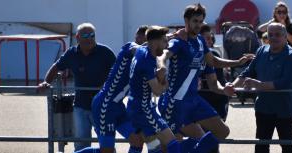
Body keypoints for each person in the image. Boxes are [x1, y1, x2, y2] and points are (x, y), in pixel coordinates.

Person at [157, 3, 253, 153]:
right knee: (170, 147)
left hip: (194, 101)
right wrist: (161, 65)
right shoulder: (179, 40)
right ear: (186, 21)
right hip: (175, 102)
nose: (198, 25)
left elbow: (213, 63)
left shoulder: (201, 42)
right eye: (195, 21)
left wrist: (236, 63)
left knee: (222, 132)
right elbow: (164, 55)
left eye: (200, 21)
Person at [38, 23, 116, 151]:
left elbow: (119, 72)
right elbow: (56, 67)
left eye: (92, 35)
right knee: (81, 143)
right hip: (80, 106)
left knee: (107, 145)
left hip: (102, 107)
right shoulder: (72, 53)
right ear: (77, 37)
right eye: (86, 35)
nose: (90, 38)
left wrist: (108, 86)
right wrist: (46, 82)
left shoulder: (105, 52)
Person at [74, 25, 149, 153]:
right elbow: (137, 49)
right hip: (104, 105)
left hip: (117, 106)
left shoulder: (145, 61)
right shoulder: (130, 47)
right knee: (107, 151)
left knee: (137, 140)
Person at [228, 23, 292, 153]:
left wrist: (257, 84)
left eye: (277, 34)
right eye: (270, 34)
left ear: (285, 37)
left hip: (285, 109)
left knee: (286, 144)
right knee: (261, 144)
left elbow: (284, 83)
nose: (273, 37)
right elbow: (247, 73)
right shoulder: (261, 51)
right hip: (263, 108)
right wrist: (232, 85)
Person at [126, 25, 183, 153]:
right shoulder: (148, 61)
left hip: (134, 106)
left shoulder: (142, 49)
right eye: (165, 41)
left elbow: (150, 39)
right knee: (172, 142)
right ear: (155, 42)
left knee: (148, 147)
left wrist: (172, 35)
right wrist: (164, 80)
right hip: (144, 109)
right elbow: (158, 91)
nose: (167, 45)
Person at [198, 24, 230, 121]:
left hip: (215, 97)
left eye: (211, 38)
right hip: (207, 98)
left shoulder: (212, 53)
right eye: (207, 39)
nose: (211, 42)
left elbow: (219, 80)